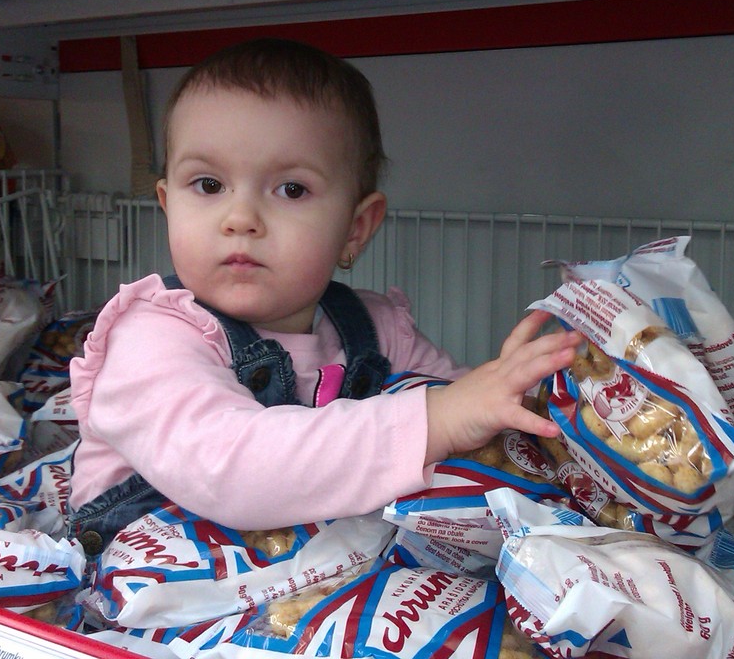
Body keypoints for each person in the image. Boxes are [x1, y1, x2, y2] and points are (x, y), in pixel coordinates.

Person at [67, 38, 580, 552]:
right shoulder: (149, 337)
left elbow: (467, 407)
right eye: (208, 185)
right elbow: (229, 469)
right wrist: (438, 419)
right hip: (149, 587)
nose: (240, 218)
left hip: (308, 583)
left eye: (291, 189)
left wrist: (522, 392)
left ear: (356, 228)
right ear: (167, 204)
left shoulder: (376, 330)